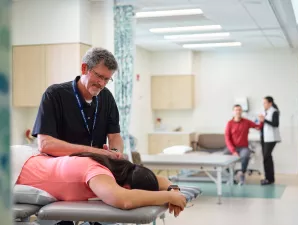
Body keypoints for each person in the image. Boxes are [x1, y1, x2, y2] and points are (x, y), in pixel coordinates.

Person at [31, 47, 124, 225]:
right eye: (99, 76)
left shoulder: (106, 98)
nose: (102, 84)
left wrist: (114, 153)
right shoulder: (55, 95)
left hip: (93, 176)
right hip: (60, 177)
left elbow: (115, 136)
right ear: (84, 69)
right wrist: (92, 152)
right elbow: (45, 144)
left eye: (107, 79)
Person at [16, 152, 186, 218]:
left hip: (29, 160)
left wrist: (173, 189)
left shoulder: (119, 167)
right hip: (14, 167)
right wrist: (169, 197)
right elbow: (123, 200)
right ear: (127, 187)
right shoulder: (99, 174)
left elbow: (158, 180)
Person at [224, 104, 263, 185]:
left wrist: (261, 121)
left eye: (239, 110)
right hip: (232, 147)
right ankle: (231, 175)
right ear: (233, 112)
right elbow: (227, 139)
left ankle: (242, 174)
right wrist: (233, 151)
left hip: (243, 147)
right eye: (236, 110)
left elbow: (258, 127)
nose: (238, 111)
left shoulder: (246, 122)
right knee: (223, 158)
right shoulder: (229, 123)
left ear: (241, 111)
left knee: (245, 156)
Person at [258, 96, 281, 185]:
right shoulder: (265, 112)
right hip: (264, 137)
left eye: (265, 103)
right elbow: (264, 124)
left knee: (266, 157)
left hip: (271, 138)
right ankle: (269, 178)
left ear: (270, 103)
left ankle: (269, 178)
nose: (263, 104)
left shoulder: (274, 112)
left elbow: (276, 124)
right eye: (263, 103)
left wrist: (264, 120)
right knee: (267, 158)